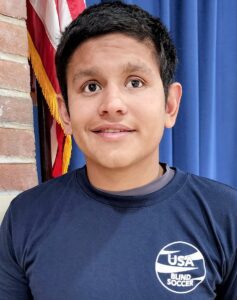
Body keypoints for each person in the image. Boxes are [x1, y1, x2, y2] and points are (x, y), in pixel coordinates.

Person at [0, 1, 236, 299]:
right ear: (66, 113)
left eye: (135, 82)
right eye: (91, 86)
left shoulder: (226, 215)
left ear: (170, 105)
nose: (112, 104)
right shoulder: (25, 216)